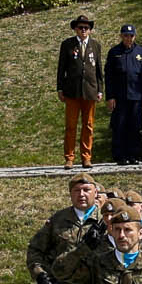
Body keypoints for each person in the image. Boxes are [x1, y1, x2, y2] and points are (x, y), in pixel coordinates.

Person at [56, 14, 106, 168]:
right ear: (75, 29)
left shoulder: (95, 45)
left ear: (90, 30)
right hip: (72, 91)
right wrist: (60, 88)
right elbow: (61, 68)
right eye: (80, 27)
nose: (83, 30)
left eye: (86, 27)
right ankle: (69, 158)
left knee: (88, 126)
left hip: (90, 91)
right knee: (71, 126)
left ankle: (86, 157)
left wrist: (100, 89)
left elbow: (98, 70)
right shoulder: (67, 44)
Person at [102, 23, 142, 166]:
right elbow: (109, 76)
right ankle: (120, 156)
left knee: (135, 126)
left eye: (131, 36)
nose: (128, 38)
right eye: (125, 36)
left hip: (136, 96)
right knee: (119, 126)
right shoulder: (114, 52)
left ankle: (133, 155)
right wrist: (110, 96)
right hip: (120, 97)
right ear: (121, 36)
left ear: (135, 36)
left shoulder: (141, 52)